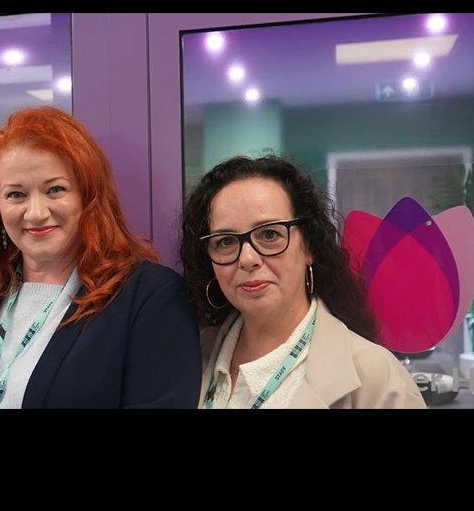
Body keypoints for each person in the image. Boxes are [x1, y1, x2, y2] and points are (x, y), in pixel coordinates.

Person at [0, 106, 203, 409]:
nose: (36, 213)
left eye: (55, 190)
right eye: (16, 194)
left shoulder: (151, 299)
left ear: (88, 196)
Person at [179, 154, 426, 409]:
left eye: (269, 234)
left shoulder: (377, 376)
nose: (247, 259)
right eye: (226, 241)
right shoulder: (191, 356)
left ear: (308, 246)